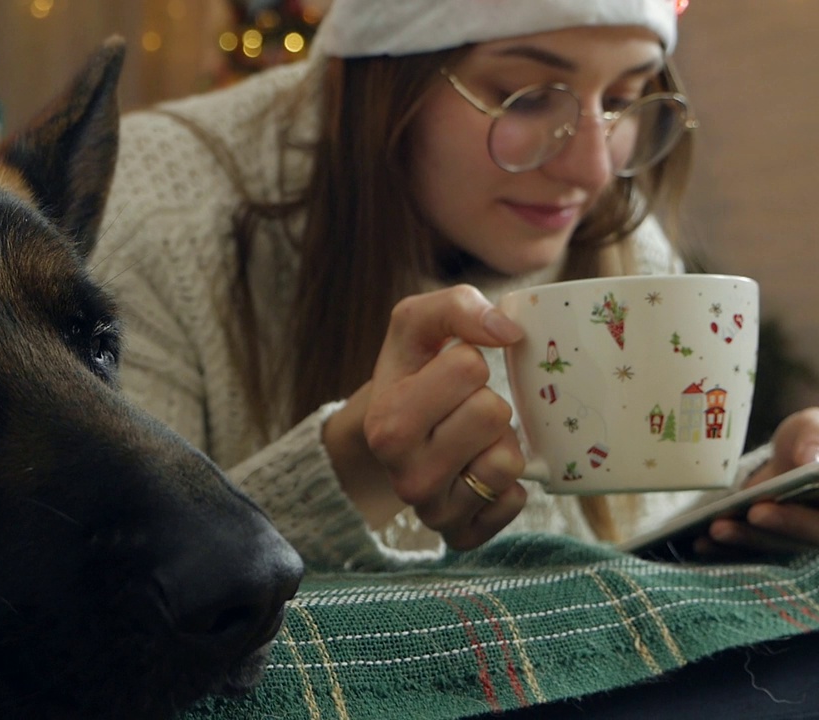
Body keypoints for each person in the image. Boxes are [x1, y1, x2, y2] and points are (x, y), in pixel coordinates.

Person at [91, 0, 819, 572]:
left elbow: (626, 545)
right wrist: (351, 470)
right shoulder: (155, 214)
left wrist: (742, 509)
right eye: (528, 96)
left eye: (625, 98)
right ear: (388, 79)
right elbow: (108, 608)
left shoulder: (615, 238)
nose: (594, 171)